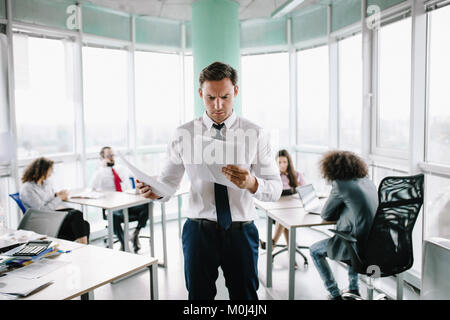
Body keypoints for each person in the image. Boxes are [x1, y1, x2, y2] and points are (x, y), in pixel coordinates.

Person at [137, 61, 282, 300]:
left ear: (235, 91)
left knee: (245, 299)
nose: (217, 105)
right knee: (199, 299)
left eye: (225, 97)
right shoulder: (183, 133)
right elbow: (168, 183)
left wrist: (252, 183)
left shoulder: (255, 133)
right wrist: (156, 191)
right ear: (200, 94)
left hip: (241, 231)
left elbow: (275, 188)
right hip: (198, 231)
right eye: (210, 97)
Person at [309, 150, 378, 300]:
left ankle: (334, 294)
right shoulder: (367, 182)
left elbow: (326, 215)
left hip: (356, 244)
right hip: (376, 243)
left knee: (315, 250)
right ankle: (354, 288)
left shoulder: (340, 185)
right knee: (350, 241)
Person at [90, 146, 149, 253]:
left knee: (148, 204)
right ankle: (124, 243)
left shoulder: (121, 169)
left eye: (112, 155)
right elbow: (92, 189)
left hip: (128, 203)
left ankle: (135, 233)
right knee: (112, 215)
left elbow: (135, 177)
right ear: (102, 158)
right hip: (113, 207)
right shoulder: (99, 173)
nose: (112, 158)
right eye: (108, 156)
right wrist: (103, 167)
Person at [20, 157, 90, 244]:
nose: (52, 173)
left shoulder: (46, 183)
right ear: (42, 170)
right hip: (41, 220)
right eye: (50, 170)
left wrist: (56, 195)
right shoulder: (27, 188)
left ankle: (82, 251)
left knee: (84, 224)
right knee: (76, 214)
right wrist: (59, 198)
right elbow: (42, 210)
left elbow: (48, 199)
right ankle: (84, 250)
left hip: (52, 216)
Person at [259, 150, 306, 263]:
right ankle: (292, 257)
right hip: (279, 212)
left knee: (284, 220)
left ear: (289, 162)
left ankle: (272, 243)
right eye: (279, 162)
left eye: (284, 162)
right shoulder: (274, 177)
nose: (282, 165)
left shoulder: (297, 175)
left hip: (295, 211)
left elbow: (305, 190)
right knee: (283, 220)